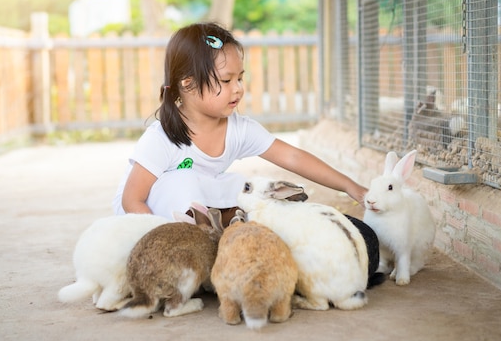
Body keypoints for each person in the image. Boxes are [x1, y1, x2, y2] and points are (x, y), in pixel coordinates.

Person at [112, 22, 367, 220]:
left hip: (194, 208)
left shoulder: (239, 129)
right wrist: (162, 240)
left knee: (241, 185)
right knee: (184, 180)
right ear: (188, 84)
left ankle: (219, 231)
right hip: (146, 218)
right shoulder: (162, 138)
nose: (238, 89)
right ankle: (198, 239)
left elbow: (293, 158)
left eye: (240, 78)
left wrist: (349, 186)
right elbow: (132, 200)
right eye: (226, 81)